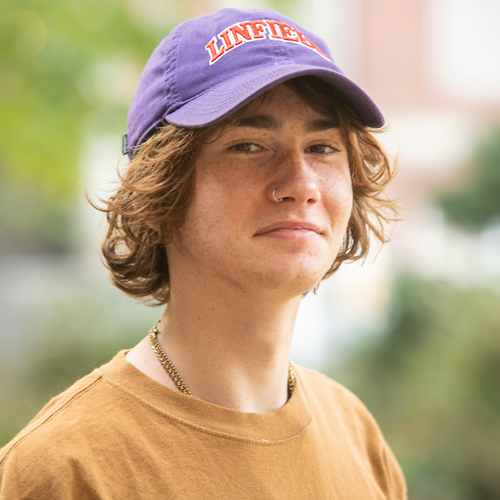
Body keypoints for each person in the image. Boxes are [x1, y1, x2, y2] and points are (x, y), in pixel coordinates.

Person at [0, 7, 406, 499]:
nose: (301, 184)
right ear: (158, 189)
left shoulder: (357, 435)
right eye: (248, 146)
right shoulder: (65, 469)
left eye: (322, 148)